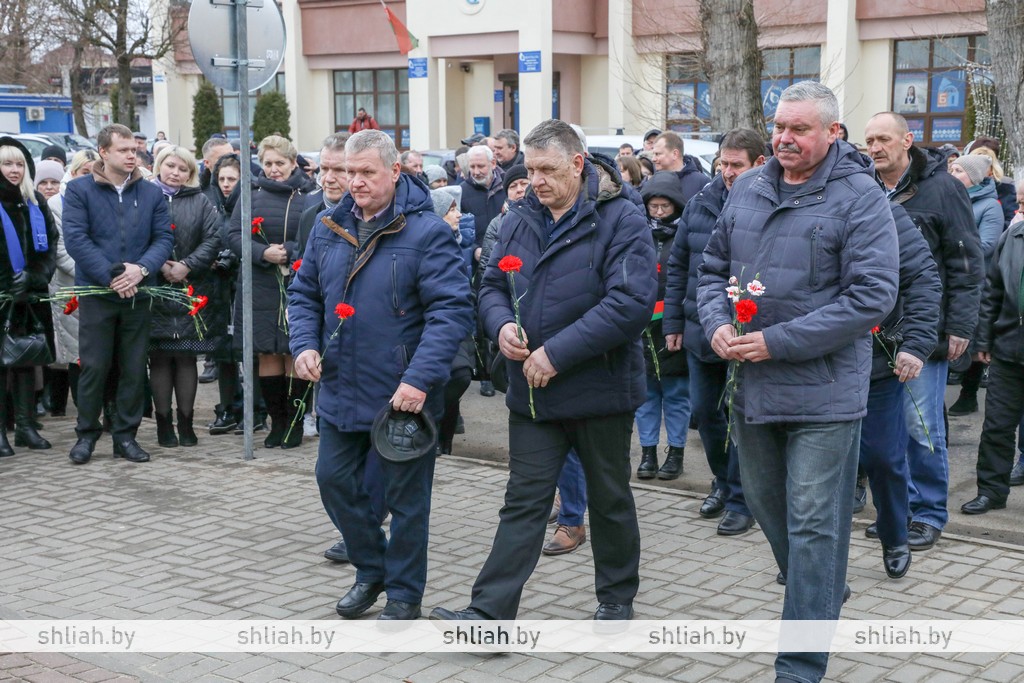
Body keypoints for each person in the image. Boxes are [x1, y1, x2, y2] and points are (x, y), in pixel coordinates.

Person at [698, 82, 899, 682]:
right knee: (765, 504)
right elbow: (711, 269)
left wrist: (777, 341)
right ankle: (821, 591)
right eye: (779, 126)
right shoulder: (749, 188)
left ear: (832, 133)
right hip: (753, 385)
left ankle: (800, 661)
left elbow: (872, 296)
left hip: (825, 390)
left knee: (815, 520)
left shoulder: (860, 198)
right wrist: (714, 323)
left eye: (800, 129)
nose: (784, 138)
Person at [430, 118, 657, 623]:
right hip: (531, 394)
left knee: (609, 499)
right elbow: (489, 284)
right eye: (529, 169)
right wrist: (500, 325)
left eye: (547, 169)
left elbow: (631, 303)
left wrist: (556, 353)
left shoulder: (621, 218)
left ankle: (616, 600)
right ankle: (488, 614)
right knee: (523, 504)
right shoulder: (517, 218)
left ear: (578, 164)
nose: (536, 180)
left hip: (599, 389)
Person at [289, 129, 473, 621]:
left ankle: (404, 596)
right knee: (332, 480)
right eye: (349, 172)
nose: (356, 183)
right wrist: (304, 344)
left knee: (408, 503)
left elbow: (451, 313)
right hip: (340, 388)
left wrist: (417, 379)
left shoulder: (427, 231)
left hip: (402, 395)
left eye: (367, 172)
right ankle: (372, 569)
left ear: (394, 171)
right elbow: (304, 294)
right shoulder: (328, 225)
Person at [863, 112, 983, 551]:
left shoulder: (942, 188)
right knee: (885, 430)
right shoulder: (864, 187)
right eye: (869, 140)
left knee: (921, 425)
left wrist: (960, 325)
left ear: (907, 140)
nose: (875, 147)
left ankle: (928, 512)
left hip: (924, 330)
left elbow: (966, 264)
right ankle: (896, 513)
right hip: (874, 332)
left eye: (883, 139)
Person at [664, 128, 764, 536]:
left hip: (747, 332)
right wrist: (672, 322)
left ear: (760, 163)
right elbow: (679, 264)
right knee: (706, 413)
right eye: (723, 163)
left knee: (742, 418)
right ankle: (723, 482)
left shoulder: (770, 203)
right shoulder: (701, 202)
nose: (726, 172)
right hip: (701, 329)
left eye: (736, 165)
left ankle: (744, 499)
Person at [62, 123, 174, 465]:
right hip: (99, 292)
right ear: (104, 152)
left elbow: (163, 240)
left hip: (138, 292)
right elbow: (77, 240)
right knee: (94, 367)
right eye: (124, 150)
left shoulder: (152, 193)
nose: (132, 155)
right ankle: (87, 435)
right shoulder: (80, 190)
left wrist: (139, 270)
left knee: (132, 367)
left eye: (134, 150)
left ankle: (125, 436)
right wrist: (114, 276)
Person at [858, 201, 940, 580]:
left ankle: (894, 535)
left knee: (884, 457)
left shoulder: (882, 208)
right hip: (809, 362)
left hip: (875, 360)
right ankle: (812, 554)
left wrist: (915, 343)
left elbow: (923, 277)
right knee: (814, 465)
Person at [228, 135, 319, 450]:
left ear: (293, 163)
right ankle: (275, 422)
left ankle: (294, 423)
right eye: (267, 163)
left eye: (279, 163)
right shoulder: (251, 193)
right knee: (268, 352)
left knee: (294, 353)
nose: (273, 169)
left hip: (296, 281)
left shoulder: (310, 194)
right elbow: (233, 234)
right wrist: (261, 252)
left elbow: (316, 234)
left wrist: (291, 251)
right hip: (261, 283)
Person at [147, 146, 221, 448]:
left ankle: (187, 423)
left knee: (187, 357)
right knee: (161, 359)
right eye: (170, 166)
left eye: (183, 169)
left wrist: (186, 265)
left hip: (192, 288)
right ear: (159, 166)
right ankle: (164, 425)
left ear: (190, 174)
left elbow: (214, 238)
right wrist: (159, 263)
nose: (175, 172)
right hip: (154, 286)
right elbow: (138, 235)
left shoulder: (200, 201)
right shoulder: (146, 196)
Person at [963, 206, 1024, 514]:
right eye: (1022, 203)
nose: (1020, 210)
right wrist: (984, 340)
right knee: (997, 426)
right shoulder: (1012, 235)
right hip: (1009, 350)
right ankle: (991, 492)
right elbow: (993, 292)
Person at [0, 137, 58, 457]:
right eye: (7, 163)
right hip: (2, 295)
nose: (14, 169)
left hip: (29, 298)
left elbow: (49, 247)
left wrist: (33, 278)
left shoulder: (35, 201)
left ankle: (25, 427)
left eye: (19, 164)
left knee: (25, 363)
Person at [634, 171, 691, 481]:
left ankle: (676, 453)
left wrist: (675, 322)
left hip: (673, 328)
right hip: (643, 327)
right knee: (646, 395)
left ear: (676, 207)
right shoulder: (639, 233)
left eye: (664, 208)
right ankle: (647, 452)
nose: (657, 213)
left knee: (677, 395)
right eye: (653, 207)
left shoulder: (683, 236)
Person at [947, 153, 1003, 417]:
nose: (952, 174)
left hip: (977, 279)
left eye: (958, 170)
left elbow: (988, 244)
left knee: (973, 333)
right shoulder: (949, 199)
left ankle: (968, 394)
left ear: (975, 178)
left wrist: (953, 249)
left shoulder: (990, 205)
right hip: (951, 274)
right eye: (952, 169)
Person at [47, 149, 99, 418]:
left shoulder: (101, 197)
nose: (88, 178)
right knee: (76, 354)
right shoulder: (57, 203)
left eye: (93, 172)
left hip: (101, 284)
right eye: (83, 172)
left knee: (97, 353)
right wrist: (96, 271)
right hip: (72, 285)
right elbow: (60, 249)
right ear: (73, 172)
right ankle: (84, 413)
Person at [459, 144, 506, 398]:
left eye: (480, 166)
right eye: (472, 167)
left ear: (493, 165)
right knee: (480, 316)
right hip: (477, 263)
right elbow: (460, 228)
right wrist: (476, 248)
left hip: (507, 261)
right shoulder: (464, 192)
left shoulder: (505, 189)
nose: (476, 171)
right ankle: (486, 374)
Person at [651, 131, 708, 202]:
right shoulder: (652, 181)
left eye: (657, 154)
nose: (653, 159)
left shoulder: (702, 183)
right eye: (653, 154)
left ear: (675, 154)